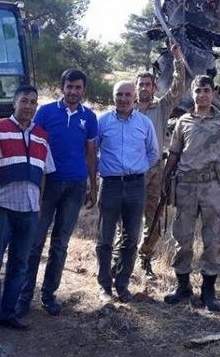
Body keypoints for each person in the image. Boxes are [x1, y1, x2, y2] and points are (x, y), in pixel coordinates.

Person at [16, 69, 99, 318]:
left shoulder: (89, 117)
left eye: (78, 87)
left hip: (75, 186)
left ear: (84, 90)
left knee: (60, 244)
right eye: (69, 87)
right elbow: (33, 144)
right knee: (35, 242)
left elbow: (91, 154)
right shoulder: (46, 112)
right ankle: (24, 296)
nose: (73, 91)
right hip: (47, 185)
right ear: (62, 88)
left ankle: (49, 295)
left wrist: (93, 187)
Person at [0, 85, 55, 335]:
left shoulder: (41, 136)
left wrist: (38, 206)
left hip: (29, 210)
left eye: (33, 102)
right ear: (14, 103)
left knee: (20, 265)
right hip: (2, 207)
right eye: (24, 101)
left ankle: (8, 313)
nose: (29, 106)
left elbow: (44, 173)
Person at [162, 75, 220, 312]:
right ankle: (182, 286)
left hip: (212, 186)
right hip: (186, 185)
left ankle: (208, 292)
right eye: (198, 91)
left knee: (213, 238)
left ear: (212, 93)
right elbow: (174, 153)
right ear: (192, 93)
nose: (202, 95)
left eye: (206, 90)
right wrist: (165, 179)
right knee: (182, 237)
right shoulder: (183, 121)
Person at [96, 81, 159, 302]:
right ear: (113, 96)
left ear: (134, 98)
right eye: (119, 94)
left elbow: (153, 153)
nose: (123, 99)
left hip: (135, 186)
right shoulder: (102, 122)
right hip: (110, 185)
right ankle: (104, 286)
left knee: (131, 238)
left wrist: (137, 168)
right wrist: (103, 170)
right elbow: (92, 151)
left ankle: (122, 285)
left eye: (127, 95)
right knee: (105, 238)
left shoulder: (144, 123)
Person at [134, 43, 186, 278]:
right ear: (136, 87)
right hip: (131, 172)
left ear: (154, 87)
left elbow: (178, 88)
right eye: (141, 84)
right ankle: (121, 258)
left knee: (154, 218)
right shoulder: (128, 109)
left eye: (148, 84)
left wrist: (177, 59)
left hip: (155, 171)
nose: (144, 88)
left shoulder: (162, 107)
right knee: (126, 218)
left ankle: (145, 258)